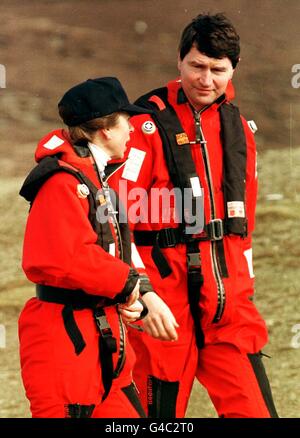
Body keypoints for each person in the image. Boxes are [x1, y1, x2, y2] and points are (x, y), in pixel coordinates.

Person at [108, 14, 278, 418]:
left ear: (233, 68)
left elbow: (245, 229)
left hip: (228, 307)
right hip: (164, 306)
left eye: (218, 69)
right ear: (179, 61)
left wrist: (244, 289)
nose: (206, 79)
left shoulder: (240, 131)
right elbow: (118, 219)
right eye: (197, 66)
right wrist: (140, 291)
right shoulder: (143, 126)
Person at [18, 77, 155, 418]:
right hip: (66, 344)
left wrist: (130, 292)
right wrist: (128, 285)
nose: (131, 131)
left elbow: (108, 255)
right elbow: (66, 257)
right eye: (126, 121)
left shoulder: (95, 180)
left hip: (100, 336)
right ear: (106, 129)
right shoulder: (61, 183)